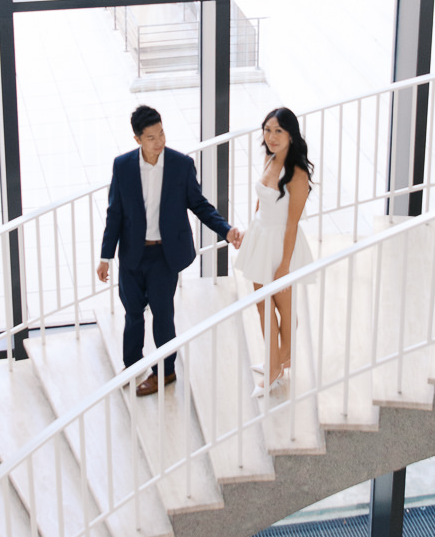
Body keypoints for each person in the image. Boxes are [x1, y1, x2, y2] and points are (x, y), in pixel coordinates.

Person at [97, 105, 243, 396]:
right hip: (132, 255)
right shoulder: (123, 166)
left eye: (161, 133)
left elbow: (199, 205)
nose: (159, 142)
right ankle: (132, 364)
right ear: (138, 139)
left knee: (163, 314)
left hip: (164, 256)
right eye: (151, 137)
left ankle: (166, 371)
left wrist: (225, 230)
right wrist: (105, 256)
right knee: (133, 314)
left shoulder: (180, 165)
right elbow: (114, 213)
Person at [232, 106, 314, 388]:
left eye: (278, 130)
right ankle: (275, 362)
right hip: (261, 238)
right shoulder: (270, 157)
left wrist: (284, 266)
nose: (271, 136)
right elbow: (263, 200)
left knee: (284, 307)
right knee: (262, 305)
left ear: (291, 134)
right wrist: (250, 230)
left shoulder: (297, 174)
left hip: (280, 245)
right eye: (268, 130)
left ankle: (280, 364)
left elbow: (291, 224)